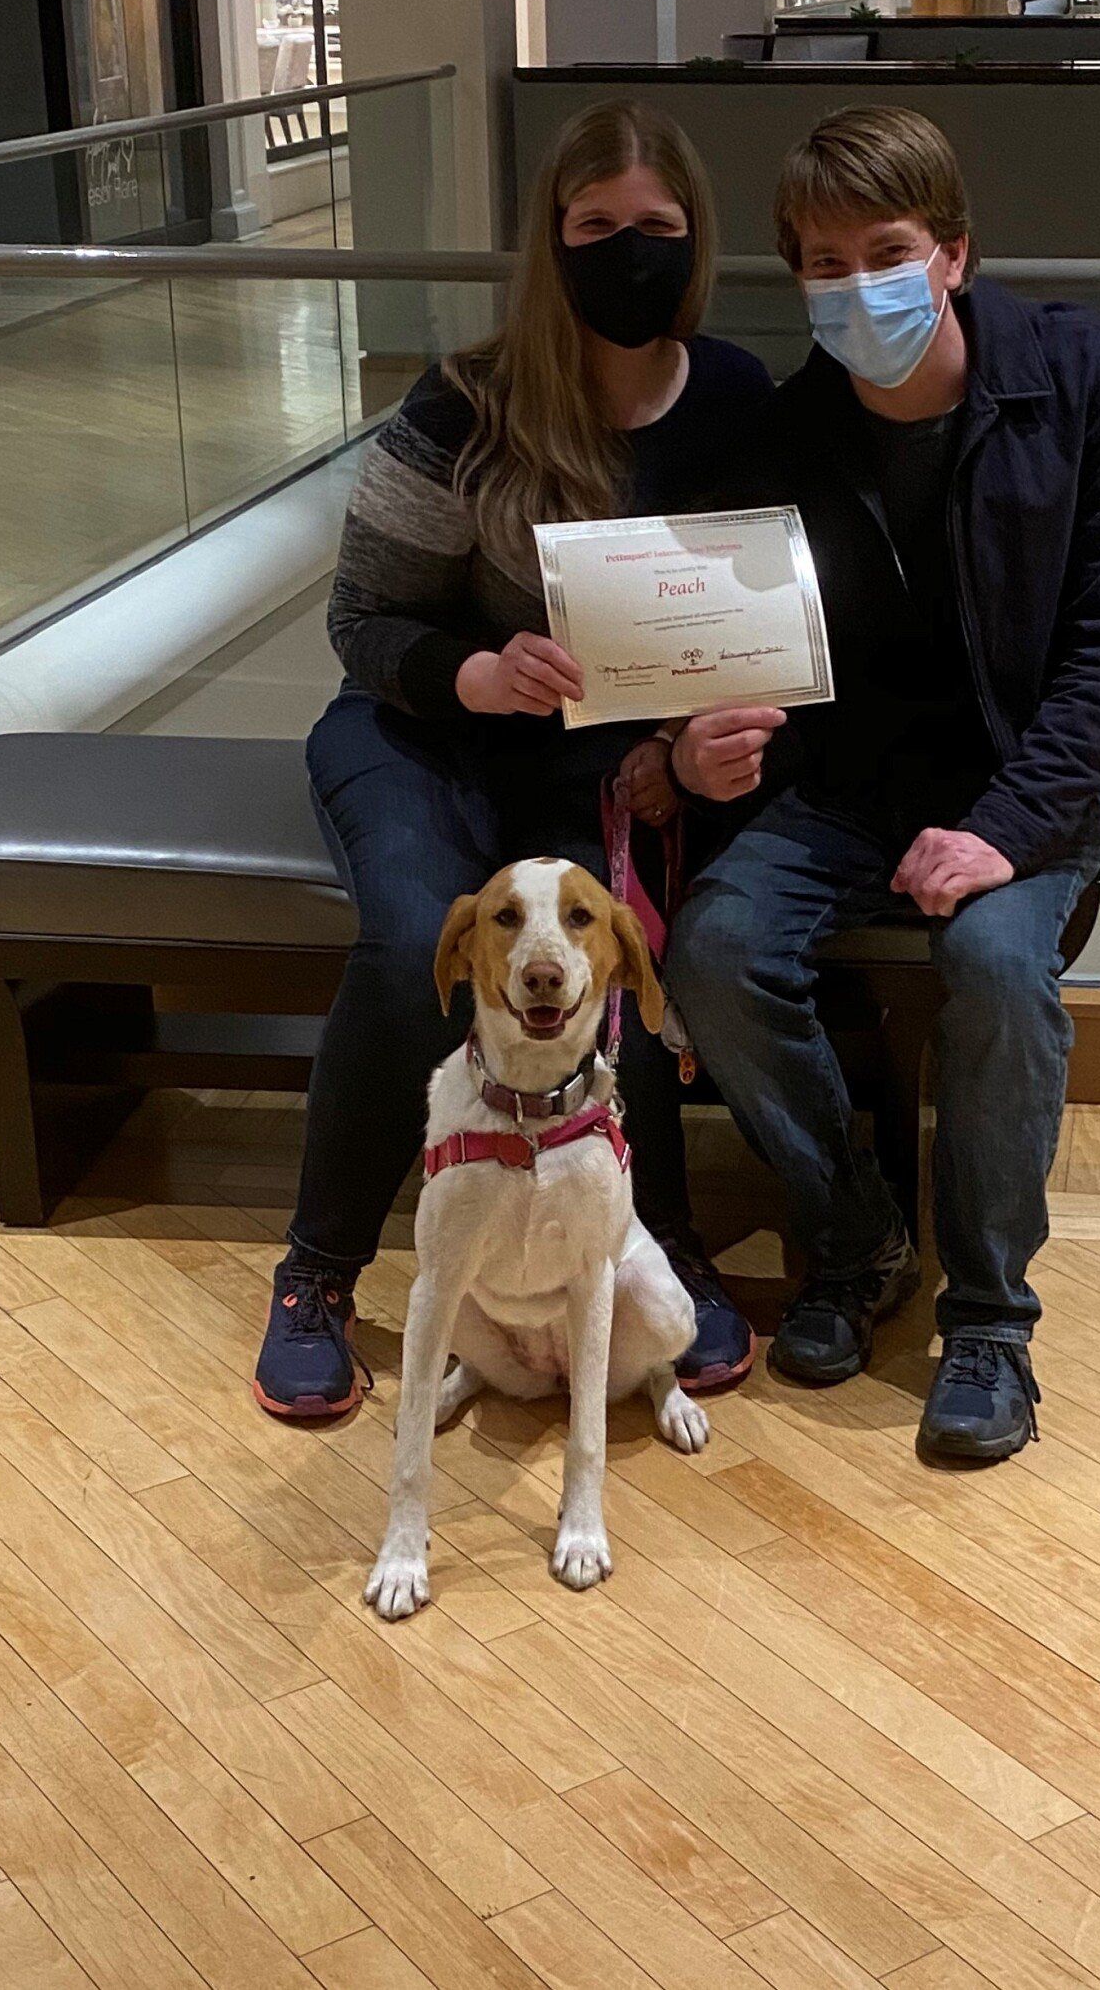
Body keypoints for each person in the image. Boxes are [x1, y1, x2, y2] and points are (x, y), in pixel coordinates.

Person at [665, 106, 1100, 1464]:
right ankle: (855, 1236)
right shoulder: (785, 436)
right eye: (824, 264)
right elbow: (741, 661)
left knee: (998, 968)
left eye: (886, 252)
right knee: (715, 950)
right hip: (850, 792)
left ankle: (992, 1320)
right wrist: (697, 748)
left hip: (1028, 784)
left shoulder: (1085, 377)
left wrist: (1004, 828)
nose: (858, 287)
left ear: (952, 251)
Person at [254, 100, 770, 1419]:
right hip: (419, 736)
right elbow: (363, 619)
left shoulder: (734, 398)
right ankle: (318, 1269)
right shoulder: (468, 401)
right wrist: (473, 671)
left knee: (609, 956)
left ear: (696, 238)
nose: (628, 251)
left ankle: (651, 1240)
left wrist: (677, 744)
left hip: (588, 769)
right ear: (551, 238)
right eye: (595, 226)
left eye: (655, 225)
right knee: (414, 941)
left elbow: (746, 626)